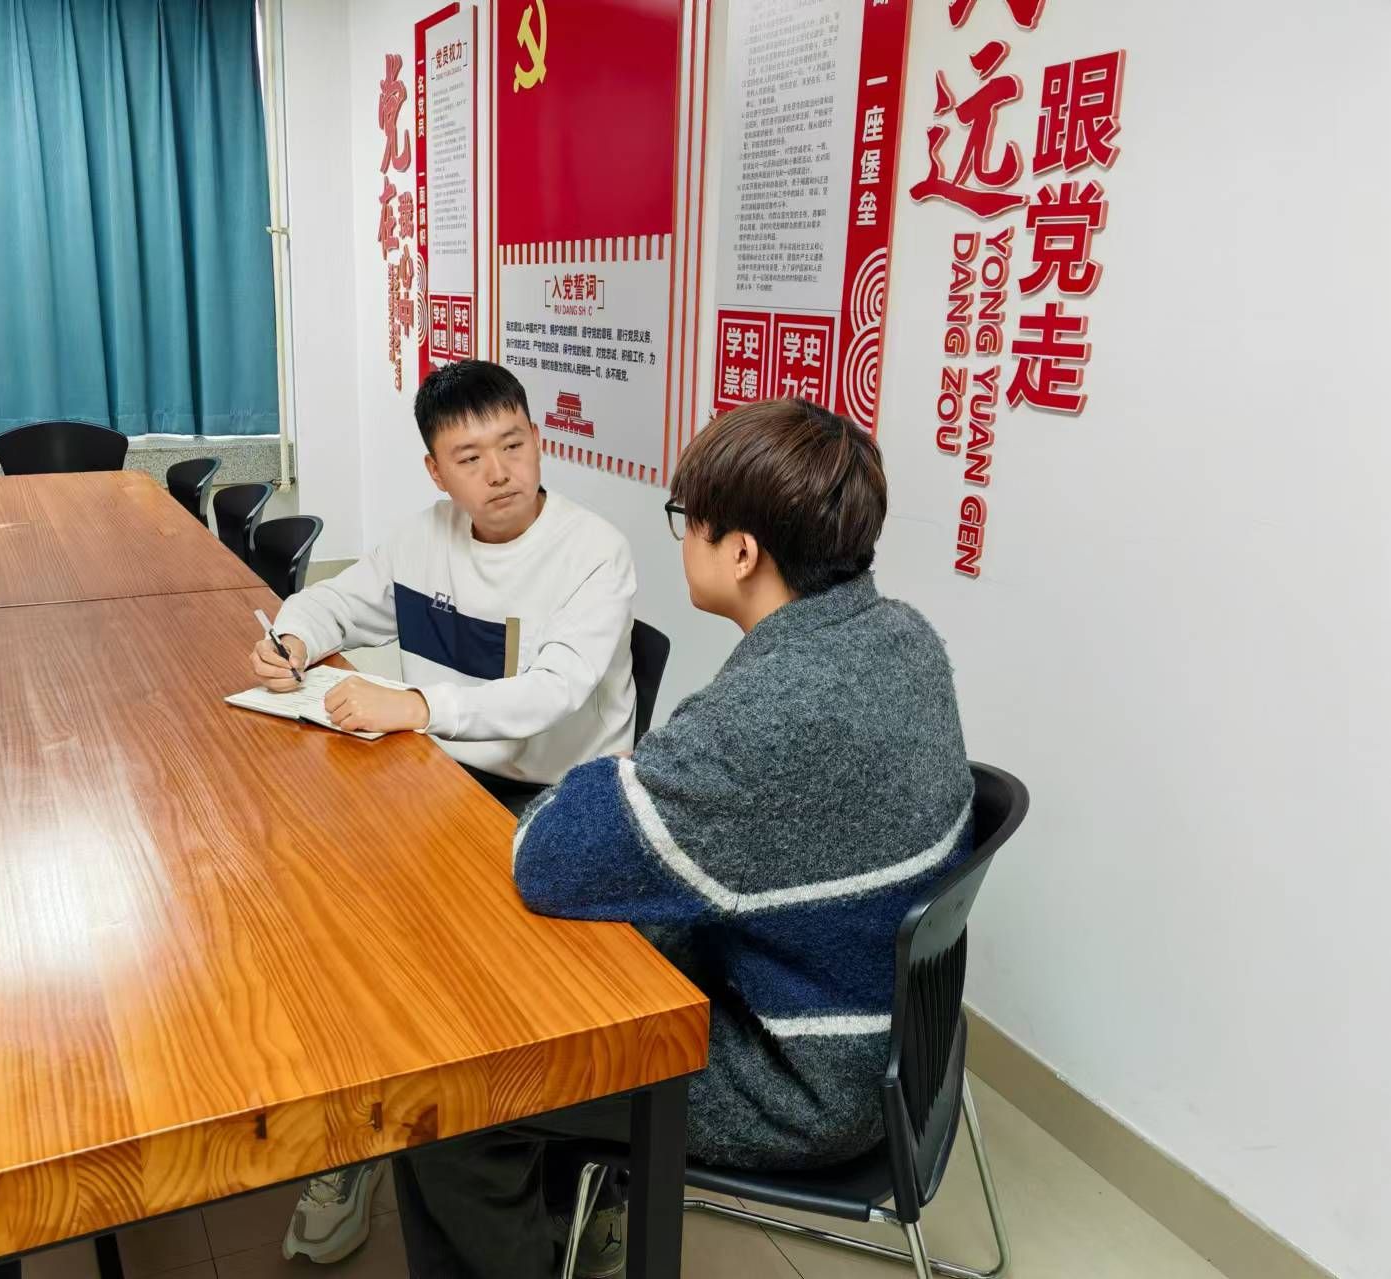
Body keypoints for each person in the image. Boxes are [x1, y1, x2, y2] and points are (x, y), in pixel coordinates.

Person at [392, 397, 975, 1278]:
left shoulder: (769, 718)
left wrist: (625, 771)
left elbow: (547, 855)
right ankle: (575, 1211)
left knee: (451, 1090)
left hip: (804, 1080)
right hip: (896, 1038)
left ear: (741, 552)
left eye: (687, 519)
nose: (681, 538)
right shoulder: (903, 636)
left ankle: (548, 1215)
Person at [250, 359, 639, 1264]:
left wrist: (417, 705)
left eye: (514, 444)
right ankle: (362, 1136)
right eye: (470, 457)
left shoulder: (593, 551)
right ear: (436, 470)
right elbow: (343, 601)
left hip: (555, 802)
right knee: (332, 930)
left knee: (449, 996)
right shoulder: (424, 536)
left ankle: (486, 1158)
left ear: (538, 439)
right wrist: (295, 635)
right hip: (443, 783)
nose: (499, 472)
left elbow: (552, 693)